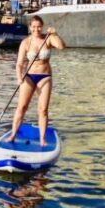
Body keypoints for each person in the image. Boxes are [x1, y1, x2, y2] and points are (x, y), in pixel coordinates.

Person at [8, 15, 66, 147]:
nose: (36, 29)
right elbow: (19, 64)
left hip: (45, 77)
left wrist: (55, 34)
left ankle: (42, 138)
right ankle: (13, 135)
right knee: (22, 107)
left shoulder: (48, 38)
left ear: (42, 27)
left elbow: (62, 46)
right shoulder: (26, 42)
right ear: (30, 27)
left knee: (43, 110)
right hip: (29, 76)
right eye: (34, 27)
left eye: (39, 26)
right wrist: (19, 77)